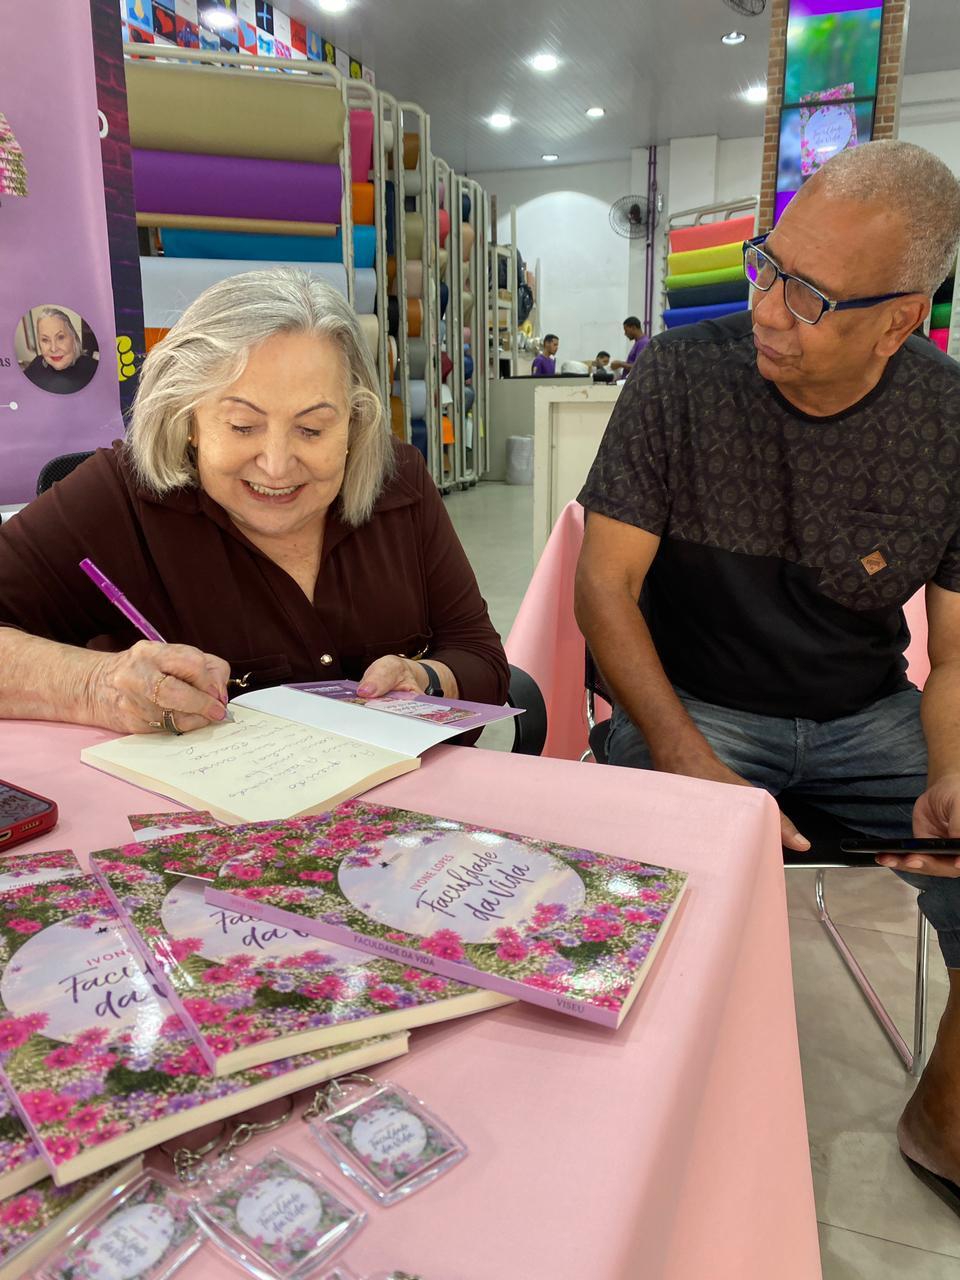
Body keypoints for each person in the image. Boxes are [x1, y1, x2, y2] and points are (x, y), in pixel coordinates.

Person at [574, 141, 960, 1211]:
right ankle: (633, 1121)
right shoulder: (680, 376)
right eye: (766, 264)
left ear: (901, 318)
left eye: (814, 294)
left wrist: (951, 765)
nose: (770, 309)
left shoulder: (948, 420)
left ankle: (946, 1113)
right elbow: (604, 591)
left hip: (863, 713)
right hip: (691, 698)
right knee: (622, 852)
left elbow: (957, 647)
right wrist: (688, 756)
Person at [0, 268, 509, 735]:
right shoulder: (119, 497)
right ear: (188, 416)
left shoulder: (398, 482)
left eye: (312, 429)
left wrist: (427, 678)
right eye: (243, 426)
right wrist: (97, 685)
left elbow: (480, 657)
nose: (277, 465)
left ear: (356, 423)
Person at [21, 307, 99, 394]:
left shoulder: (96, 370)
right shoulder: (36, 365)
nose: (53, 349)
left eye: (60, 337)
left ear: (73, 337)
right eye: (45, 340)